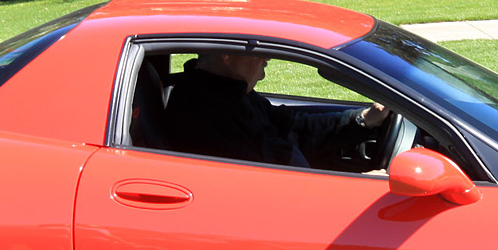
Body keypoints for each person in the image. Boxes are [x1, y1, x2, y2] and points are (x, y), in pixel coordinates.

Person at [162, 52, 390, 167]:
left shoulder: (231, 94)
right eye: (262, 62)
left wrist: (363, 119)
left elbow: (292, 125)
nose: (262, 75)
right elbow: (257, 180)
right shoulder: (202, 111)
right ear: (227, 56)